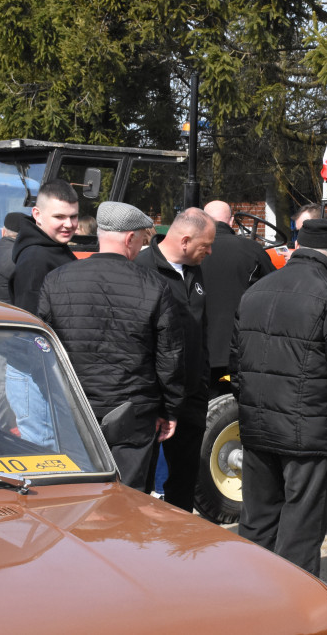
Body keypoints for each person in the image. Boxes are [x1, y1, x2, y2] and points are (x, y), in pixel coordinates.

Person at [231, 218, 327, 577]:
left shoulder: (257, 290)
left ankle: (247, 603)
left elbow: (238, 361)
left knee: (256, 522)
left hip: (259, 426)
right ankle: (293, 612)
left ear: (296, 245)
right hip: (308, 433)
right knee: (301, 529)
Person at [39, 202, 184, 491]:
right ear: (129, 238)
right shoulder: (154, 285)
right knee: (128, 498)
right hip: (133, 412)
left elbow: (41, 348)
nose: (142, 246)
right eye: (142, 240)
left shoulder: (56, 280)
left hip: (73, 408)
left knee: (75, 495)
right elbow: (170, 356)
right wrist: (170, 409)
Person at [134, 207, 215, 511]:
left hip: (191, 396)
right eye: (205, 245)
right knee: (144, 483)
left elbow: (201, 327)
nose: (209, 251)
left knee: (184, 481)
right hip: (154, 398)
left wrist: (202, 381)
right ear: (184, 241)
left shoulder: (195, 269)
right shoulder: (142, 268)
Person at [201, 200, 276, 381]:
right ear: (232, 221)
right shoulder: (252, 250)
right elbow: (275, 288)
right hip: (241, 347)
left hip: (199, 347)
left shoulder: (190, 251)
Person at [11, 182, 79, 315]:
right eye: (59, 217)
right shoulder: (35, 260)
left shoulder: (55, 247)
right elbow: (30, 317)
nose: (69, 224)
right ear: (37, 215)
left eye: (74, 216)